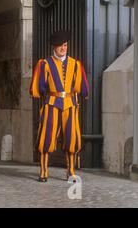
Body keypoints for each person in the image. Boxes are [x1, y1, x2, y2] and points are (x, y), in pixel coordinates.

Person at [30, 30, 89, 183]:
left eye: (65, 45)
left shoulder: (75, 64)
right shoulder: (45, 64)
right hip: (52, 104)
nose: (63, 48)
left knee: (71, 138)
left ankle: (70, 171)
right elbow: (39, 86)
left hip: (70, 104)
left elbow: (82, 87)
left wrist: (83, 93)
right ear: (54, 47)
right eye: (60, 46)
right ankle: (43, 171)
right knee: (46, 138)